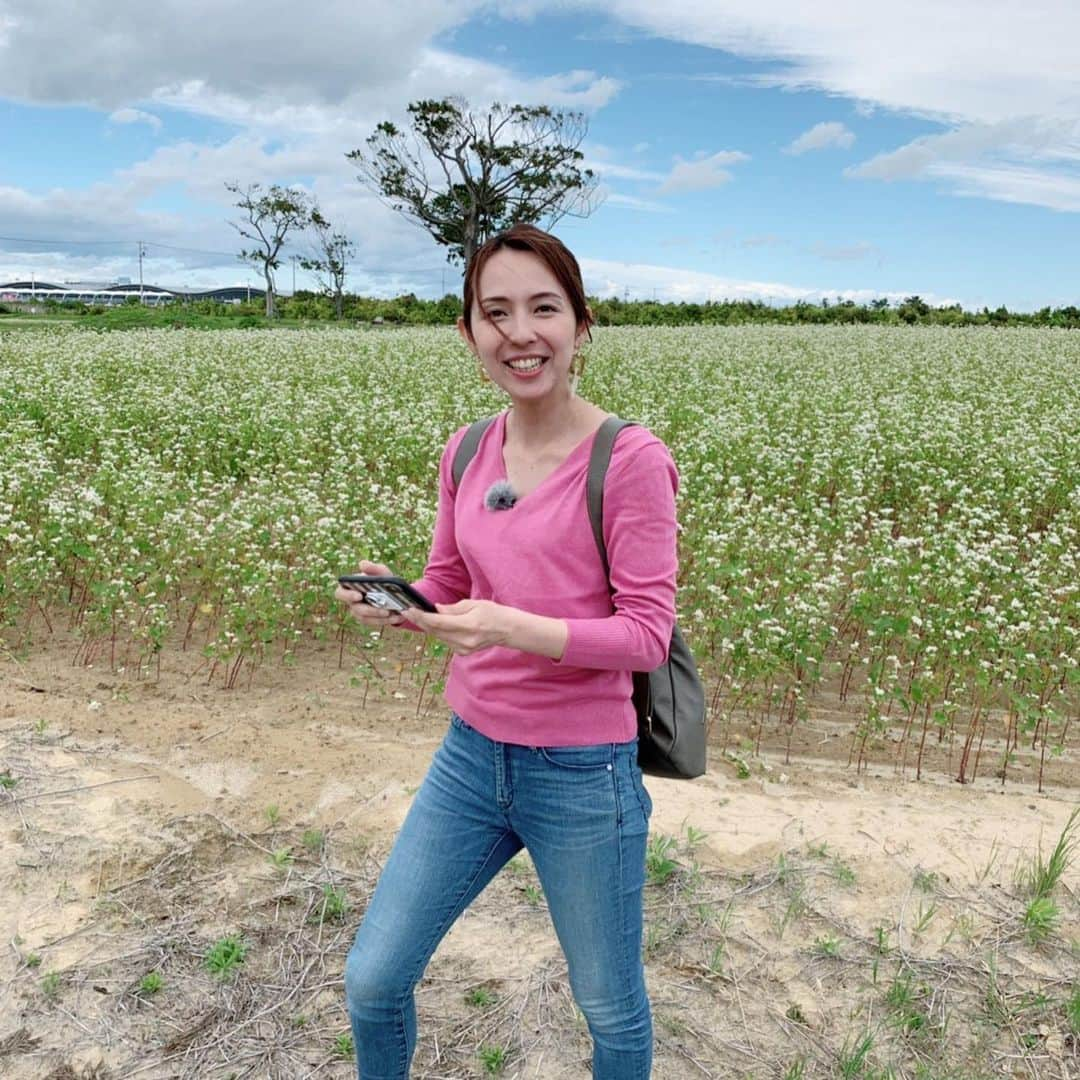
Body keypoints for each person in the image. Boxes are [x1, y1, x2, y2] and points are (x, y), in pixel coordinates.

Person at [335, 223, 679, 1079]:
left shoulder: (629, 460)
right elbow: (451, 580)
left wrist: (503, 624)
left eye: (543, 309)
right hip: (469, 758)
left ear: (581, 325)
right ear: (468, 334)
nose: (519, 333)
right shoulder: (466, 449)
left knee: (608, 1005)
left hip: (583, 774)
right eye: (496, 313)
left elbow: (646, 635)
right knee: (373, 979)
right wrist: (408, 603)